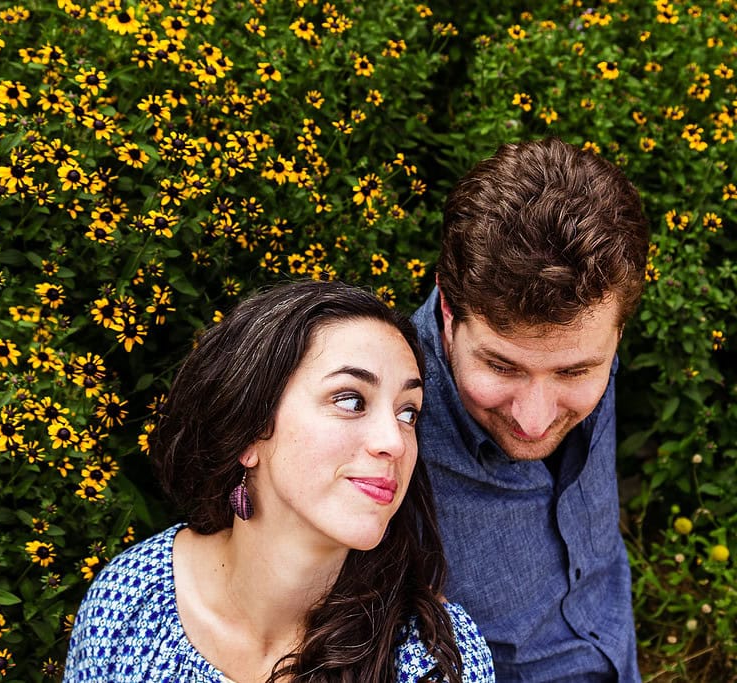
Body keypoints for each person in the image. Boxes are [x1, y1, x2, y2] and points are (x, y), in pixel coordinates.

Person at [65, 280, 495, 682]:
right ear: (248, 432)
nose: (395, 443)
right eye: (351, 400)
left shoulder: (434, 659)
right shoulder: (131, 600)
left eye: (408, 412)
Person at [411, 137, 649, 681]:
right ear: (449, 311)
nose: (534, 420)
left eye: (574, 373)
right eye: (502, 367)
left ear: (617, 332)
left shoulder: (592, 315)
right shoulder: (382, 429)